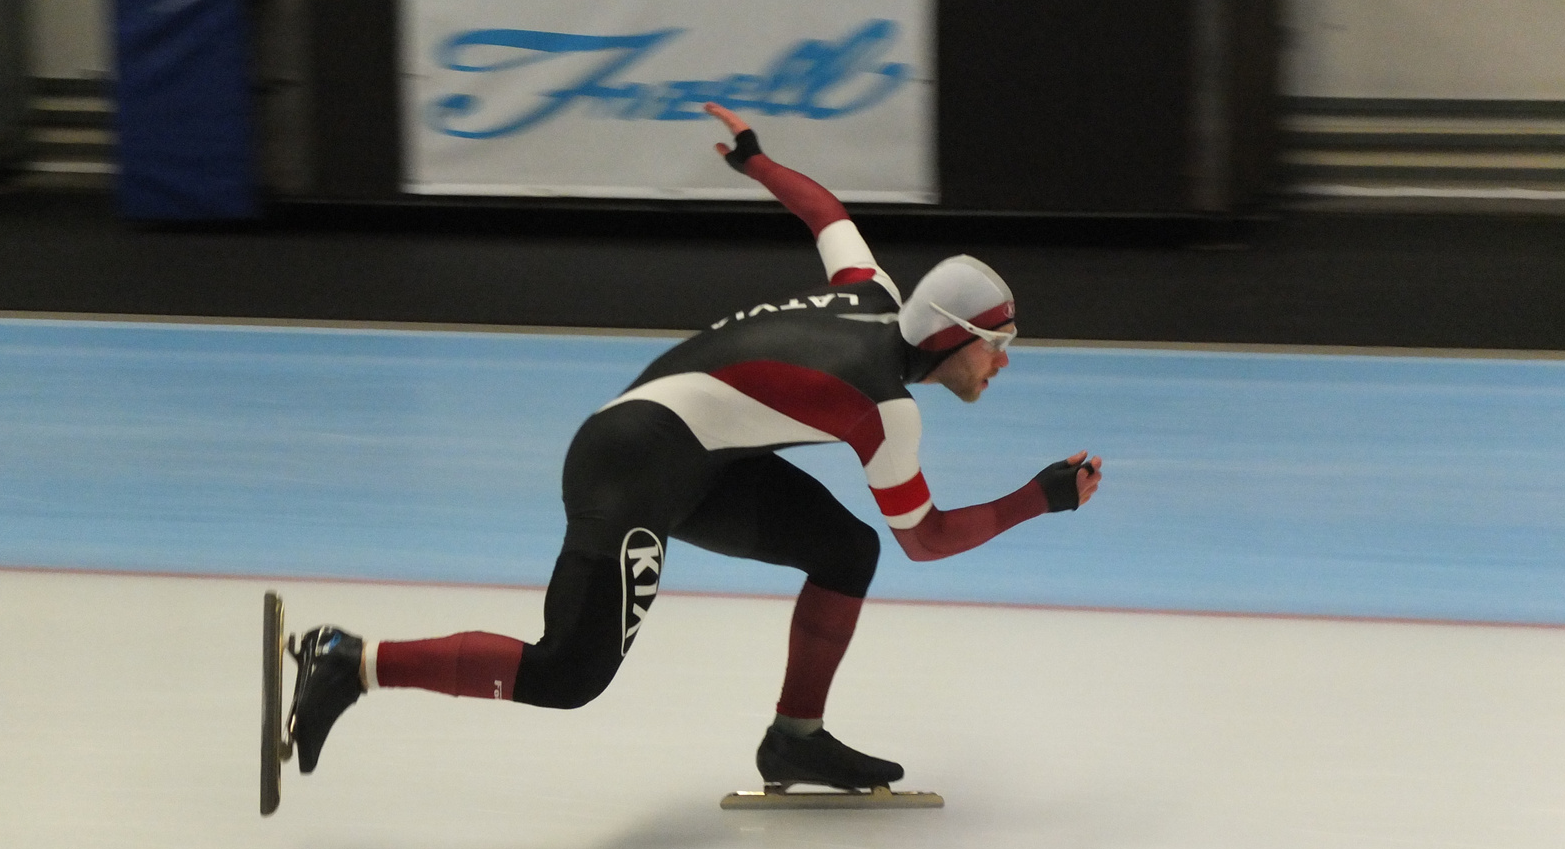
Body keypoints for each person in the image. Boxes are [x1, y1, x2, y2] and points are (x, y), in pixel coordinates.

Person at [285, 103, 1102, 792]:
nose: (1004, 362)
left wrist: (757, 161)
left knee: (846, 551)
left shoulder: (876, 294)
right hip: (633, 466)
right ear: (955, 336)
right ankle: (351, 660)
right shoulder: (886, 407)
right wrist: (1042, 497)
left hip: (700, 460)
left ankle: (795, 737)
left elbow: (826, 216)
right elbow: (927, 541)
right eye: (1000, 343)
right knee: (567, 675)